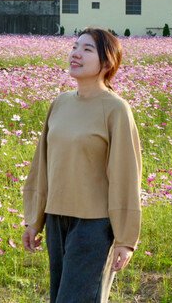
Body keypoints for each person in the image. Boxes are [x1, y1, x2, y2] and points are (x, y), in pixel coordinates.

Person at [22, 27, 142, 303]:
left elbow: (126, 175)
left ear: (108, 63)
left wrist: (125, 239)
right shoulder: (60, 103)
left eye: (87, 49)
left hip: (94, 225)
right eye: (75, 47)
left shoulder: (116, 109)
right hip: (56, 219)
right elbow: (42, 165)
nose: (76, 53)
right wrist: (34, 219)